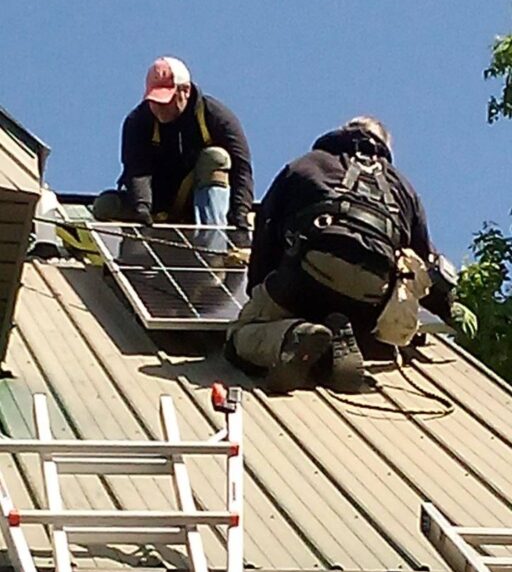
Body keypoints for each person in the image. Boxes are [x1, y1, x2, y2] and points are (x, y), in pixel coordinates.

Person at [225, 116, 464, 394]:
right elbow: (426, 263)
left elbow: (267, 225)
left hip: (305, 280)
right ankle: (338, 344)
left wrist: (263, 291)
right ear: (385, 147)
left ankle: (292, 336)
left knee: (239, 337)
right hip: (369, 298)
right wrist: (449, 309)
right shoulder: (403, 188)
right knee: (355, 325)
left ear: (343, 132)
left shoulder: (307, 164)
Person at [93, 56, 254, 240]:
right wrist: (142, 210)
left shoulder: (216, 116)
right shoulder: (138, 122)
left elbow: (242, 169)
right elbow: (137, 170)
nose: (159, 108)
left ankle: (212, 245)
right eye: (154, 101)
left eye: (165, 100)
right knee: (105, 206)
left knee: (215, 157)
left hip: (196, 202)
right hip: (157, 204)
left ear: (184, 90)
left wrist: (240, 215)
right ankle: (136, 254)